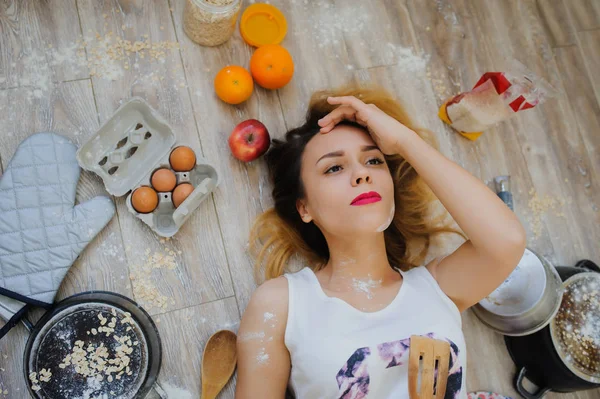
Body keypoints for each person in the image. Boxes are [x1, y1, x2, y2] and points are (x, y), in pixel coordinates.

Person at [234, 85, 526, 399]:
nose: (362, 174)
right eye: (334, 167)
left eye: (374, 161)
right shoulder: (282, 304)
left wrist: (403, 141)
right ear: (304, 208)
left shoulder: (437, 289)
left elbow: (506, 241)